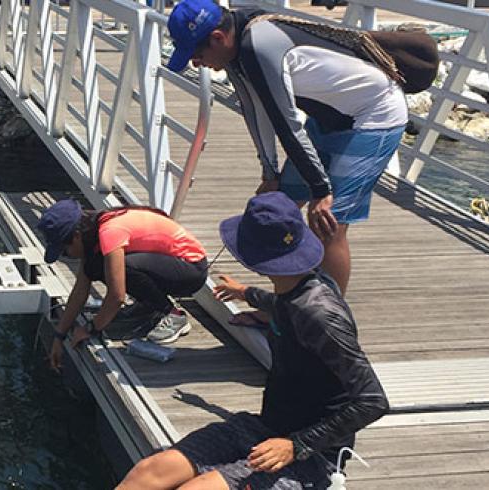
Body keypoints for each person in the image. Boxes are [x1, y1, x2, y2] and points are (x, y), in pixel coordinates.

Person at [117, 192, 388, 490]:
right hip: (265, 426)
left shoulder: (320, 315)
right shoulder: (296, 289)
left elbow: (373, 400)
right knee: (148, 472)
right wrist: (246, 293)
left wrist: (296, 445)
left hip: (312, 454)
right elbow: (283, 303)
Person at [166, 0, 408, 306]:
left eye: (196, 55)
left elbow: (287, 123)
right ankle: (287, 306)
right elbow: (255, 112)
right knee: (279, 206)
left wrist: (320, 190)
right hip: (331, 117)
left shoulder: (257, 46)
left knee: (328, 223)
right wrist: (270, 174)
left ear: (218, 37)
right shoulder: (235, 49)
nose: (196, 63)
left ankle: (327, 316)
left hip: (375, 116)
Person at [37, 199, 208, 369]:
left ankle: (173, 314)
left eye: (65, 252)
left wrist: (90, 328)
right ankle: (148, 305)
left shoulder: (109, 232)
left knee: (120, 267)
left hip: (191, 268)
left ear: (76, 236)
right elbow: (80, 291)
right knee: (95, 266)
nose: (68, 256)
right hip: (168, 263)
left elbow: (117, 296)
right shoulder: (91, 233)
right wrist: (59, 336)